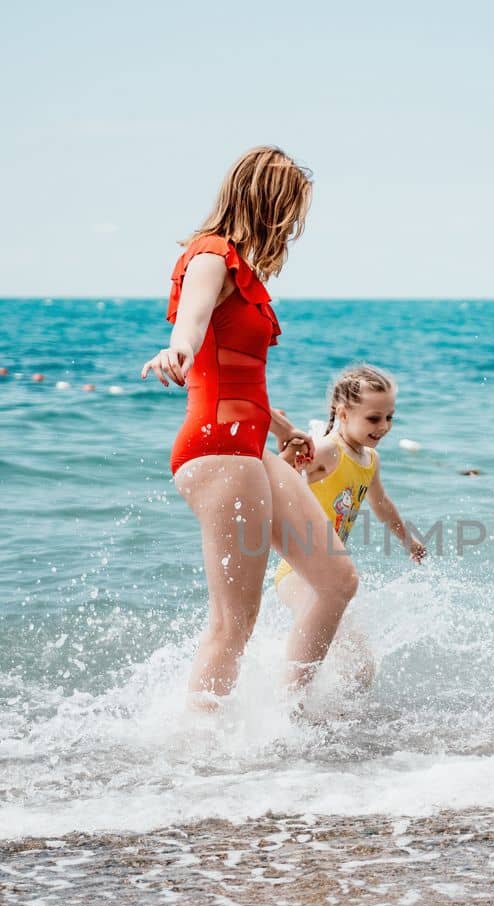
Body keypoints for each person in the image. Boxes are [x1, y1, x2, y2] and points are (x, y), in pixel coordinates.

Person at [140, 146, 360, 711]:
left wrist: (283, 427)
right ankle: (200, 752)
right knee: (232, 625)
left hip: (251, 450)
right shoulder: (211, 256)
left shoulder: (246, 269)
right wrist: (177, 351)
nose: (291, 225)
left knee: (336, 582)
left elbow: (242, 377)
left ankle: (290, 716)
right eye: (288, 208)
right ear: (264, 201)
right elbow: (191, 326)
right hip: (216, 453)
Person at [275, 366, 427, 689]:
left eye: (389, 417)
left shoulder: (370, 460)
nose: (383, 426)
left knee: (361, 666)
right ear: (343, 414)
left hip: (328, 574)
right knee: (313, 656)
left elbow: (381, 504)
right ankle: (285, 712)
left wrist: (407, 540)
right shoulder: (329, 451)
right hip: (297, 572)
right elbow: (281, 474)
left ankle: (334, 723)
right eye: (373, 418)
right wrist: (289, 459)